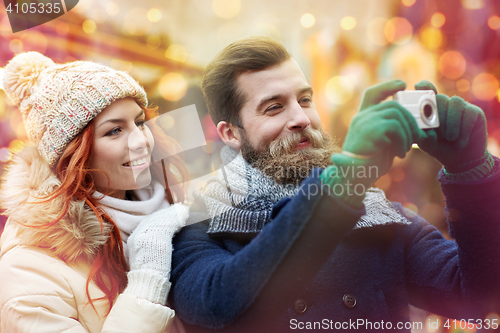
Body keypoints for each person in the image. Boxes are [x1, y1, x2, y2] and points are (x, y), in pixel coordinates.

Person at [169, 36, 500, 332]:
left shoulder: (377, 213)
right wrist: (346, 179)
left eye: (305, 99)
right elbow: (220, 301)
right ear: (230, 134)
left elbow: (481, 301)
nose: (301, 118)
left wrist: (471, 173)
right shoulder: (199, 223)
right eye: (274, 107)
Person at [0, 52, 189, 332]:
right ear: (73, 155)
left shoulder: (173, 210)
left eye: (139, 122)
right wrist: (148, 279)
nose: (141, 141)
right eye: (114, 131)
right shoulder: (27, 270)